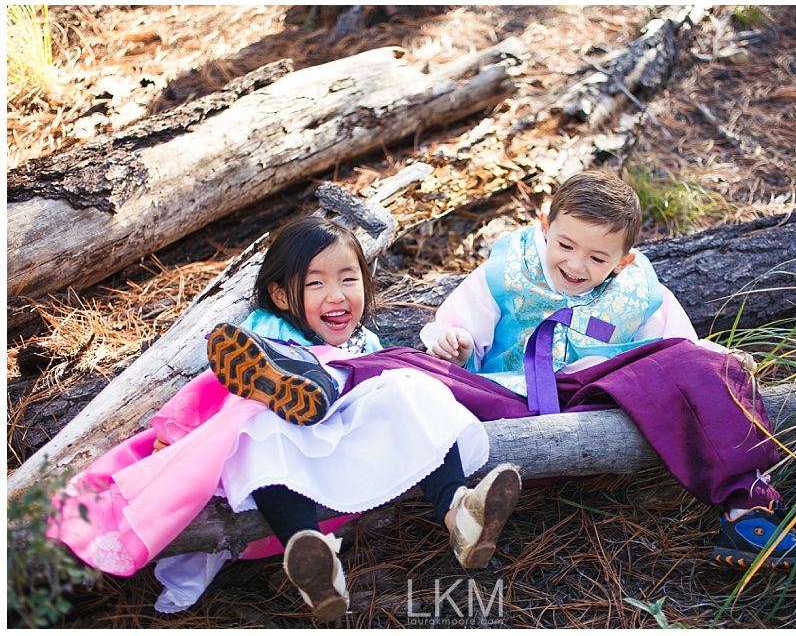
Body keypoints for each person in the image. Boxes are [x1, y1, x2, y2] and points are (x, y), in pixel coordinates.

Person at [49, 217, 521, 622]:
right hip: (295, 455)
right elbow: (210, 397)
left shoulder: (366, 345)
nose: (336, 296)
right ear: (278, 294)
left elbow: (392, 410)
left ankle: (461, 513)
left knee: (410, 388)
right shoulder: (261, 334)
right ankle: (313, 559)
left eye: (348, 279)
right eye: (315, 283)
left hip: (348, 452)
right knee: (258, 422)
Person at [420, 169, 796, 576]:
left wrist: (717, 361)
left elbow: (679, 349)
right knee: (413, 380)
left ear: (623, 261)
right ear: (545, 226)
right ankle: (463, 508)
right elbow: (457, 329)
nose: (576, 264)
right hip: (510, 393)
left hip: (599, 392)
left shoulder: (636, 292)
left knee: (701, 368)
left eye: (598, 257)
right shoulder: (507, 272)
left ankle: (748, 512)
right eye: (565, 244)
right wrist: (452, 343)